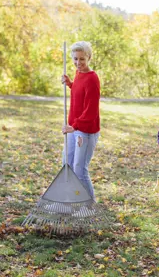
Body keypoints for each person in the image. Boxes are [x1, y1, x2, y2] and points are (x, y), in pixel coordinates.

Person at [61, 41, 100, 200]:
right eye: (75, 59)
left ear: (89, 57)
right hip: (74, 128)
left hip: (85, 131)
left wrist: (74, 127)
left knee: (79, 169)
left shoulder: (92, 78)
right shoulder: (79, 74)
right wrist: (70, 84)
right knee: (67, 165)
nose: (78, 63)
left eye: (82, 59)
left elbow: (90, 111)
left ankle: (89, 206)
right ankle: (72, 199)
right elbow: (79, 93)